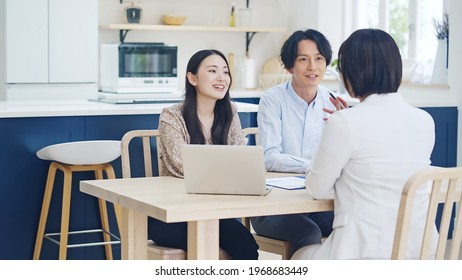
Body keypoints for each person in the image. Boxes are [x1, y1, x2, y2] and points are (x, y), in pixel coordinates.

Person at [291, 29, 437, 260]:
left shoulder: (345, 123)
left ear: (352, 73)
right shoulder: (425, 121)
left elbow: (316, 189)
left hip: (362, 255)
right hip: (420, 254)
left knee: (299, 257)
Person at [148, 49, 259, 260]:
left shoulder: (230, 113)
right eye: (212, 71)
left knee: (246, 245)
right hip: (173, 215)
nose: (222, 78)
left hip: (215, 213)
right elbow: (182, 164)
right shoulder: (171, 116)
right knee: (205, 241)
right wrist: (226, 168)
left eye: (225, 72)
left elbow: (241, 161)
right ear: (192, 78)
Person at [251, 29, 345, 256]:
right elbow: (270, 157)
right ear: (290, 66)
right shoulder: (273, 100)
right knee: (308, 233)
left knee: (351, 222)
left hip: (318, 201)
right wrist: (315, 165)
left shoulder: (333, 102)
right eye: (303, 59)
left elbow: (343, 160)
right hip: (274, 207)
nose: (313, 67)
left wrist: (345, 126)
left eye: (319, 59)